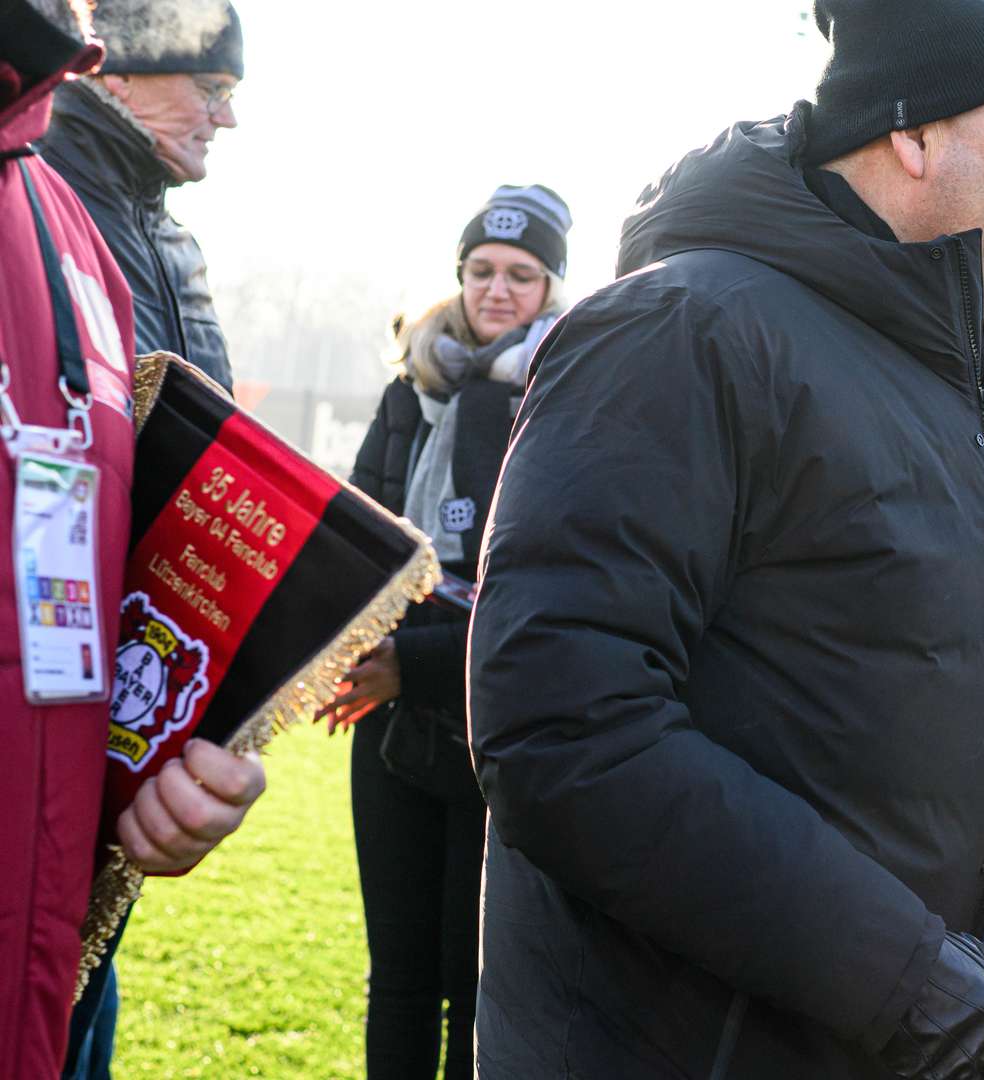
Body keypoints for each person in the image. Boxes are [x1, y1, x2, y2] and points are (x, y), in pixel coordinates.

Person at [466, 2, 984, 1076]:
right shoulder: (682, 331)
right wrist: (905, 982)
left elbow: (920, 702)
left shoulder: (964, 370)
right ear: (914, 135)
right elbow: (565, 733)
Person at [1, 3, 263, 1076]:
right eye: (210, 83)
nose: (226, 117)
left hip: (84, 793)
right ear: (110, 76)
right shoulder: (63, 196)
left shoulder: (120, 230)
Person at [315, 184, 571, 1080]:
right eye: (480, 271)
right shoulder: (409, 388)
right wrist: (351, 651)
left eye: (521, 274)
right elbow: (357, 538)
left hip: (487, 719)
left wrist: (412, 665)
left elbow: (551, 594)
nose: (497, 290)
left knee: (475, 981)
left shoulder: (567, 393)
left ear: (552, 285)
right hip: (384, 717)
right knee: (398, 979)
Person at [35, 0, 242, 390]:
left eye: (230, 94)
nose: (228, 119)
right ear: (122, 73)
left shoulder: (182, 251)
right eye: (211, 89)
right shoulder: (27, 200)